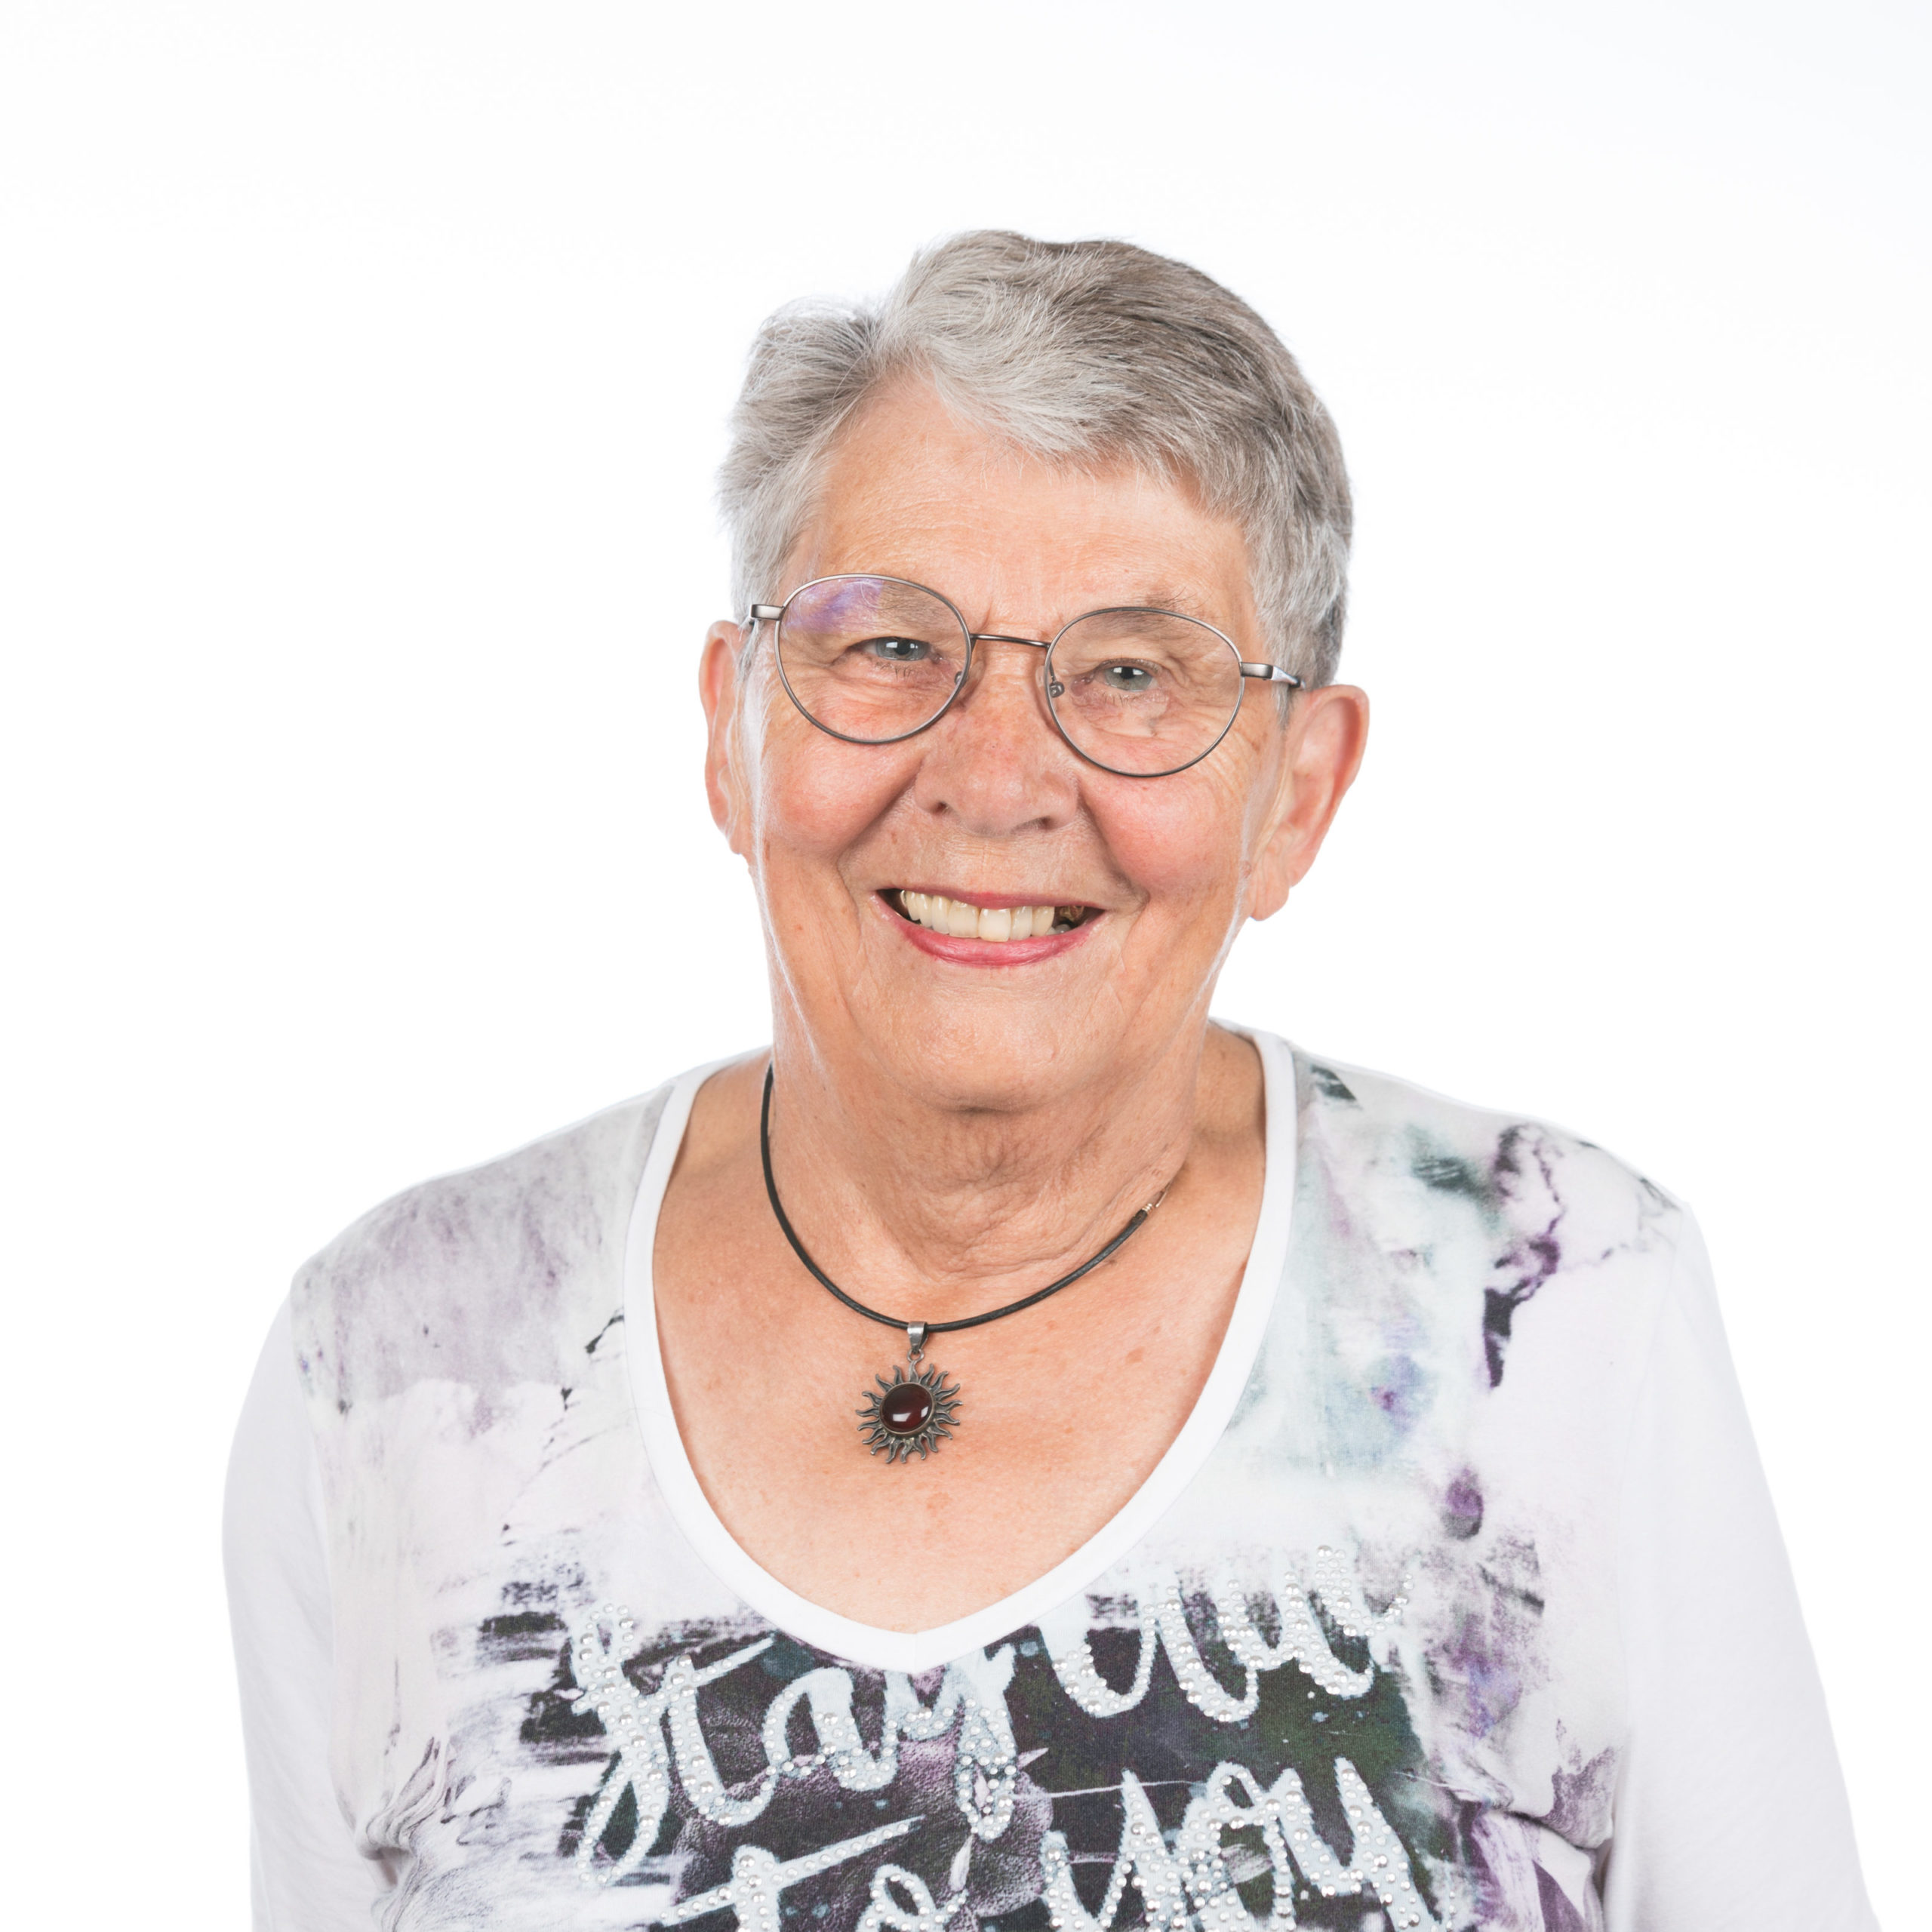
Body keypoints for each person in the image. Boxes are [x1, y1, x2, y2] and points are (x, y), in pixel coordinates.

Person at [225, 231, 1875, 1931]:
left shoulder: (1546, 1315)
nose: (996, 776)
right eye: (888, 645)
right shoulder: (402, 1370)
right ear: (734, 728)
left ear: (1298, 793)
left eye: (1133, 672)